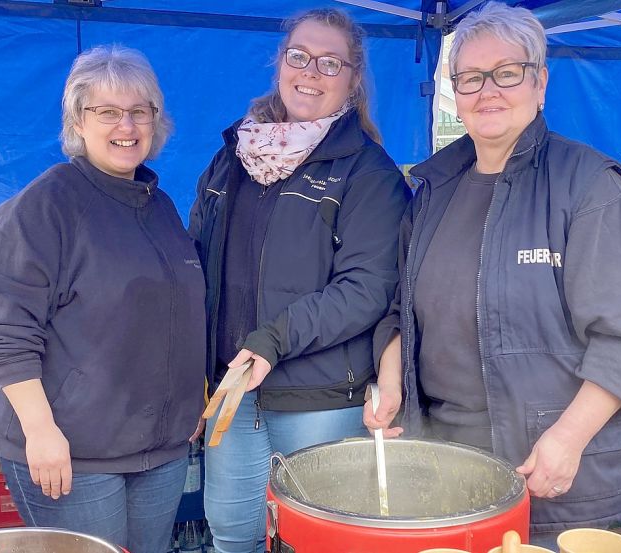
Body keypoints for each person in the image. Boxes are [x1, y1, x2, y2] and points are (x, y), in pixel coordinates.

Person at [364, 1, 621, 543]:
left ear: (540, 83)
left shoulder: (590, 187)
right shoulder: (433, 190)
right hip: (446, 460)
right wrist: (390, 384)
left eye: (507, 73)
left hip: (553, 472)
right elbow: (401, 311)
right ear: (455, 94)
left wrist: (569, 439)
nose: (488, 91)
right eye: (471, 78)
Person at [188, 9, 408, 553]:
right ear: (279, 63)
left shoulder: (369, 173)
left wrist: (274, 338)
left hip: (320, 401)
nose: (311, 72)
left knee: (320, 542)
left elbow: (367, 287)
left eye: (330, 63)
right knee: (233, 534)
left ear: (353, 79)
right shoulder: (233, 157)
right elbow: (194, 263)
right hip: (233, 392)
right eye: (299, 56)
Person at [0, 45, 205, 553]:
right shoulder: (44, 207)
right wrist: (41, 432)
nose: (127, 125)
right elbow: (4, 331)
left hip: (158, 452)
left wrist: (187, 405)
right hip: (73, 454)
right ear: (79, 120)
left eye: (139, 111)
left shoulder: (159, 206)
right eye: (108, 112)